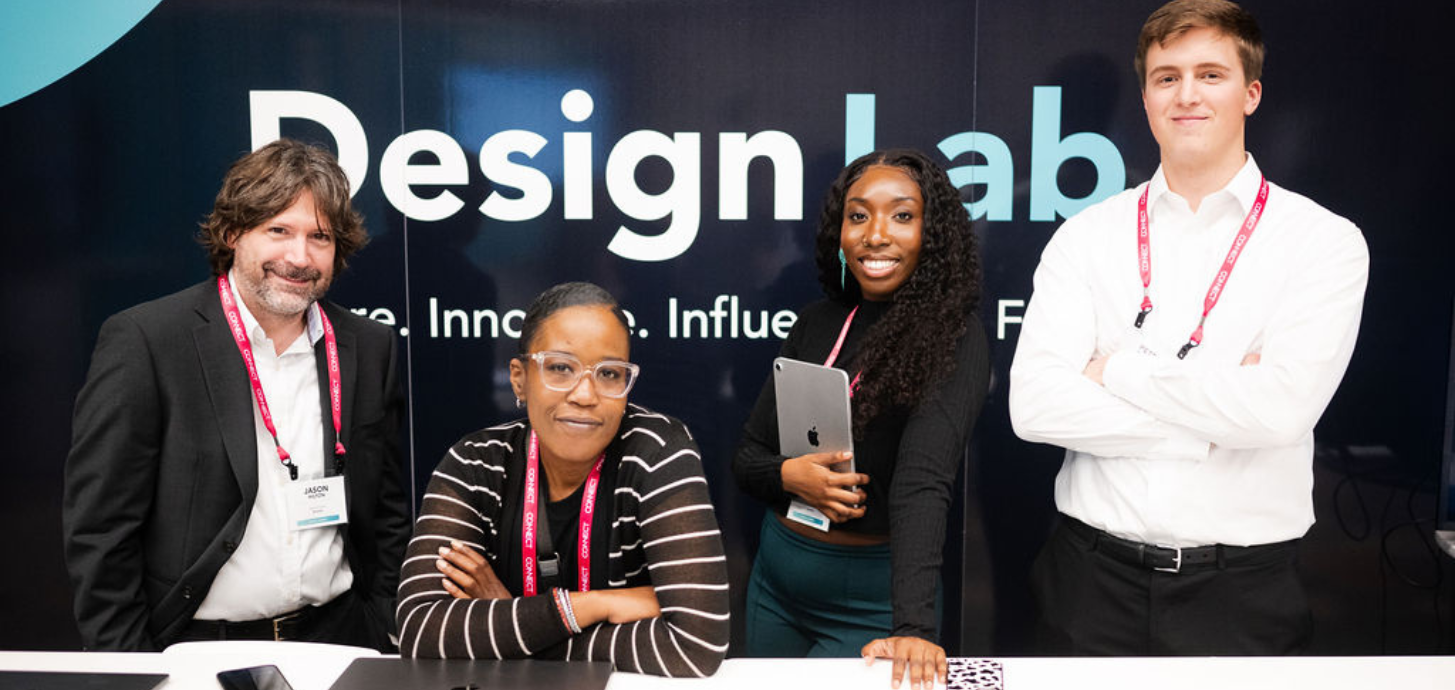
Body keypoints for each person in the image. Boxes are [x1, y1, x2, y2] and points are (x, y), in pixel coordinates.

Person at [1009, 0, 1368, 656]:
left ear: (1250, 94)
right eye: (1166, 77)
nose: (1186, 95)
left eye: (1210, 74)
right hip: (1089, 582)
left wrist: (1113, 370)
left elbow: (1279, 414)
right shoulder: (1086, 237)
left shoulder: (1323, 242)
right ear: (1146, 98)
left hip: (1241, 593)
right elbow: (1034, 407)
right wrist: (1210, 424)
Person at [63, 138, 410, 651]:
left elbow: (386, 512)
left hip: (338, 641)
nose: (299, 257)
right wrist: (133, 668)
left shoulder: (368, 346)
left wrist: (381, 625)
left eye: (319, 237)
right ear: (232, 234)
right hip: (198, 649)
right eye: (278, 230)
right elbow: (101, 529)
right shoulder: (148, 341)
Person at [733, 149, 989, 688]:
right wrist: (789, 475)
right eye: (858, 215)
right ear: (840, 231)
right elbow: (747, 458)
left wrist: (913, 627)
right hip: (776, 584)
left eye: (902, 215)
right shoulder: (817, 322)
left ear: (933, 234)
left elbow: (923, 484)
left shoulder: (955, 338)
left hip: (871, 603)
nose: (875, 234)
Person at [396, 282, 730, 677]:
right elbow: (419, 631)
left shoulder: (657, 451)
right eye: (560, 368)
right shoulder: (476, 462)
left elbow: (695, 646)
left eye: (609, 373)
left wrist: (509, 622)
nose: (585, 394)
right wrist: (592, 606)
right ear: (519, 378)